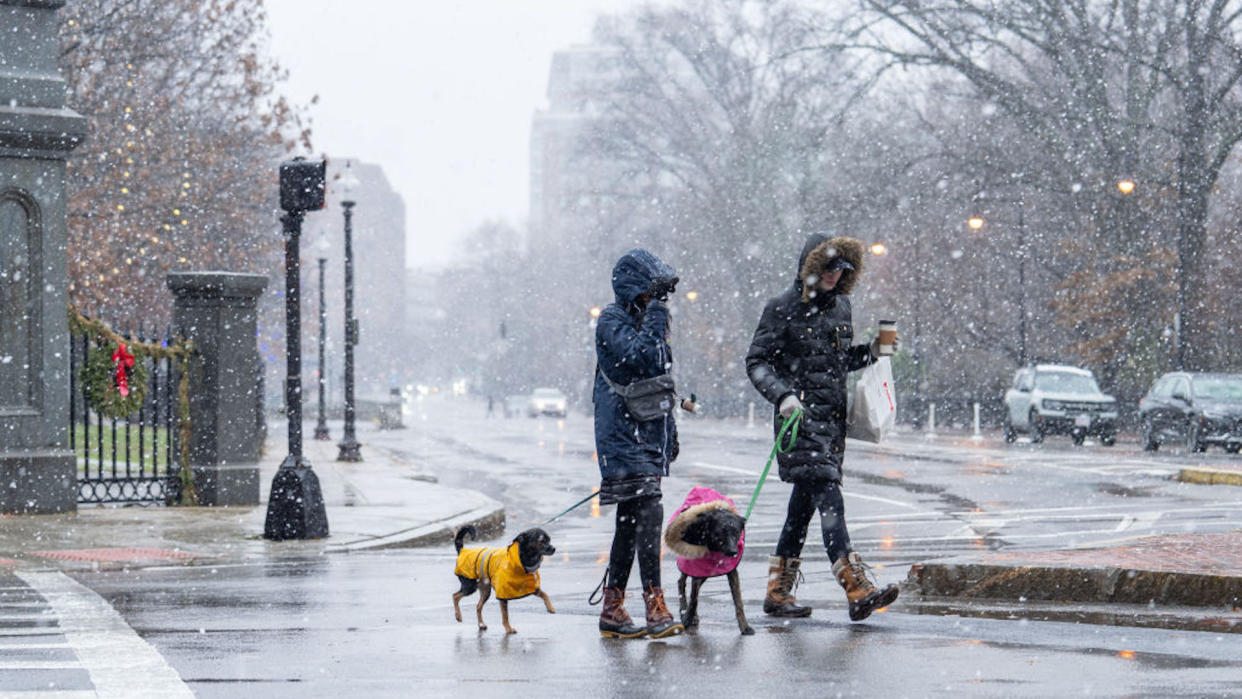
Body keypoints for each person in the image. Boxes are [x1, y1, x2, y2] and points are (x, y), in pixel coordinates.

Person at [745, 234, 900, 622]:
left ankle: (777, 593)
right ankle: (856, 586)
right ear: (810, 267)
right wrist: (783, 396)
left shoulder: (841, 307)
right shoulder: (781, 308)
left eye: (842, 270)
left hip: (832, 425)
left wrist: (874, 351)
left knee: (801, 509)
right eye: (828, 268)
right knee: (830, 499)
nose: (834, 276)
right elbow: (757, 362)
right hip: (798, 423)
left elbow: (838, 361)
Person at [592, 248, 684, 640]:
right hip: (622, 437)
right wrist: (657, 312)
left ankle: (613, 609)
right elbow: (644, 358)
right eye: (650, 292)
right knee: (648, 514)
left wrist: (670, 434)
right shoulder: (611, 320)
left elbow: (661, 377)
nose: (656, 299)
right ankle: (654, 602)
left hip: (646, 434)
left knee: (629, 524)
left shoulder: (649, 320)